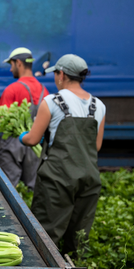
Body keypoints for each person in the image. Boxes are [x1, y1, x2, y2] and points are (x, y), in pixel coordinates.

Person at [20, 54, 105, 255]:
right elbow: (97, 146)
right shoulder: (98, 105)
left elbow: (33, 140)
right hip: (88, 180)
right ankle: (72, 267)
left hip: (57, 179)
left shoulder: (52, 101)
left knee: (45, 235)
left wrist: (22, 136)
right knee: (77, 236)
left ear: (62, 75)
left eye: (56, 74)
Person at [0, 47, 48, 191]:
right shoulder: (43, 90)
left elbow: (0, 120)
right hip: (35, 145)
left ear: (19, 63)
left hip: (12, 145)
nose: (10, 69)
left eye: (11, 65)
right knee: (34, 189)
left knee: (8, 189)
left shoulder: (12, 89)